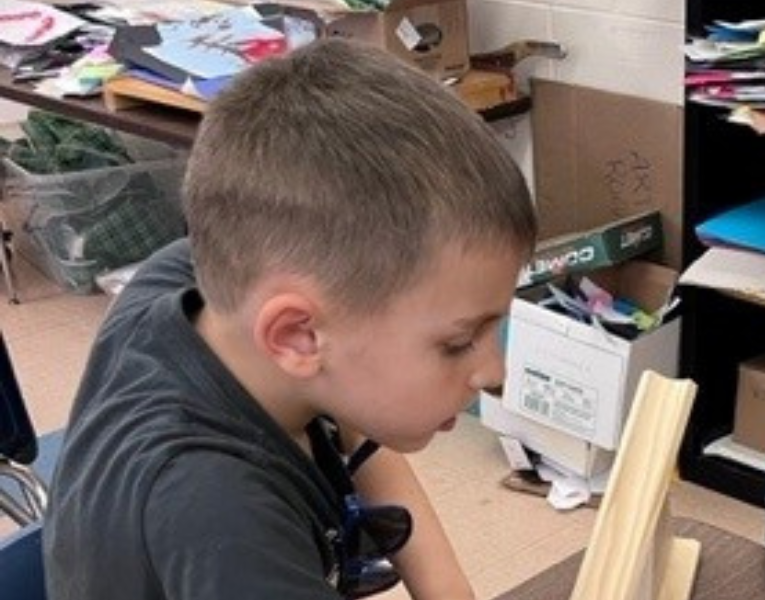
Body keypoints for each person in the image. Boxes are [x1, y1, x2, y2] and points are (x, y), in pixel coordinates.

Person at [43, 38, 537, 600]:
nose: (493, 371)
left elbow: (357, 429)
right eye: (458, 341)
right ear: (297, 336)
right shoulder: (223, 520)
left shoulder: (202, 279)